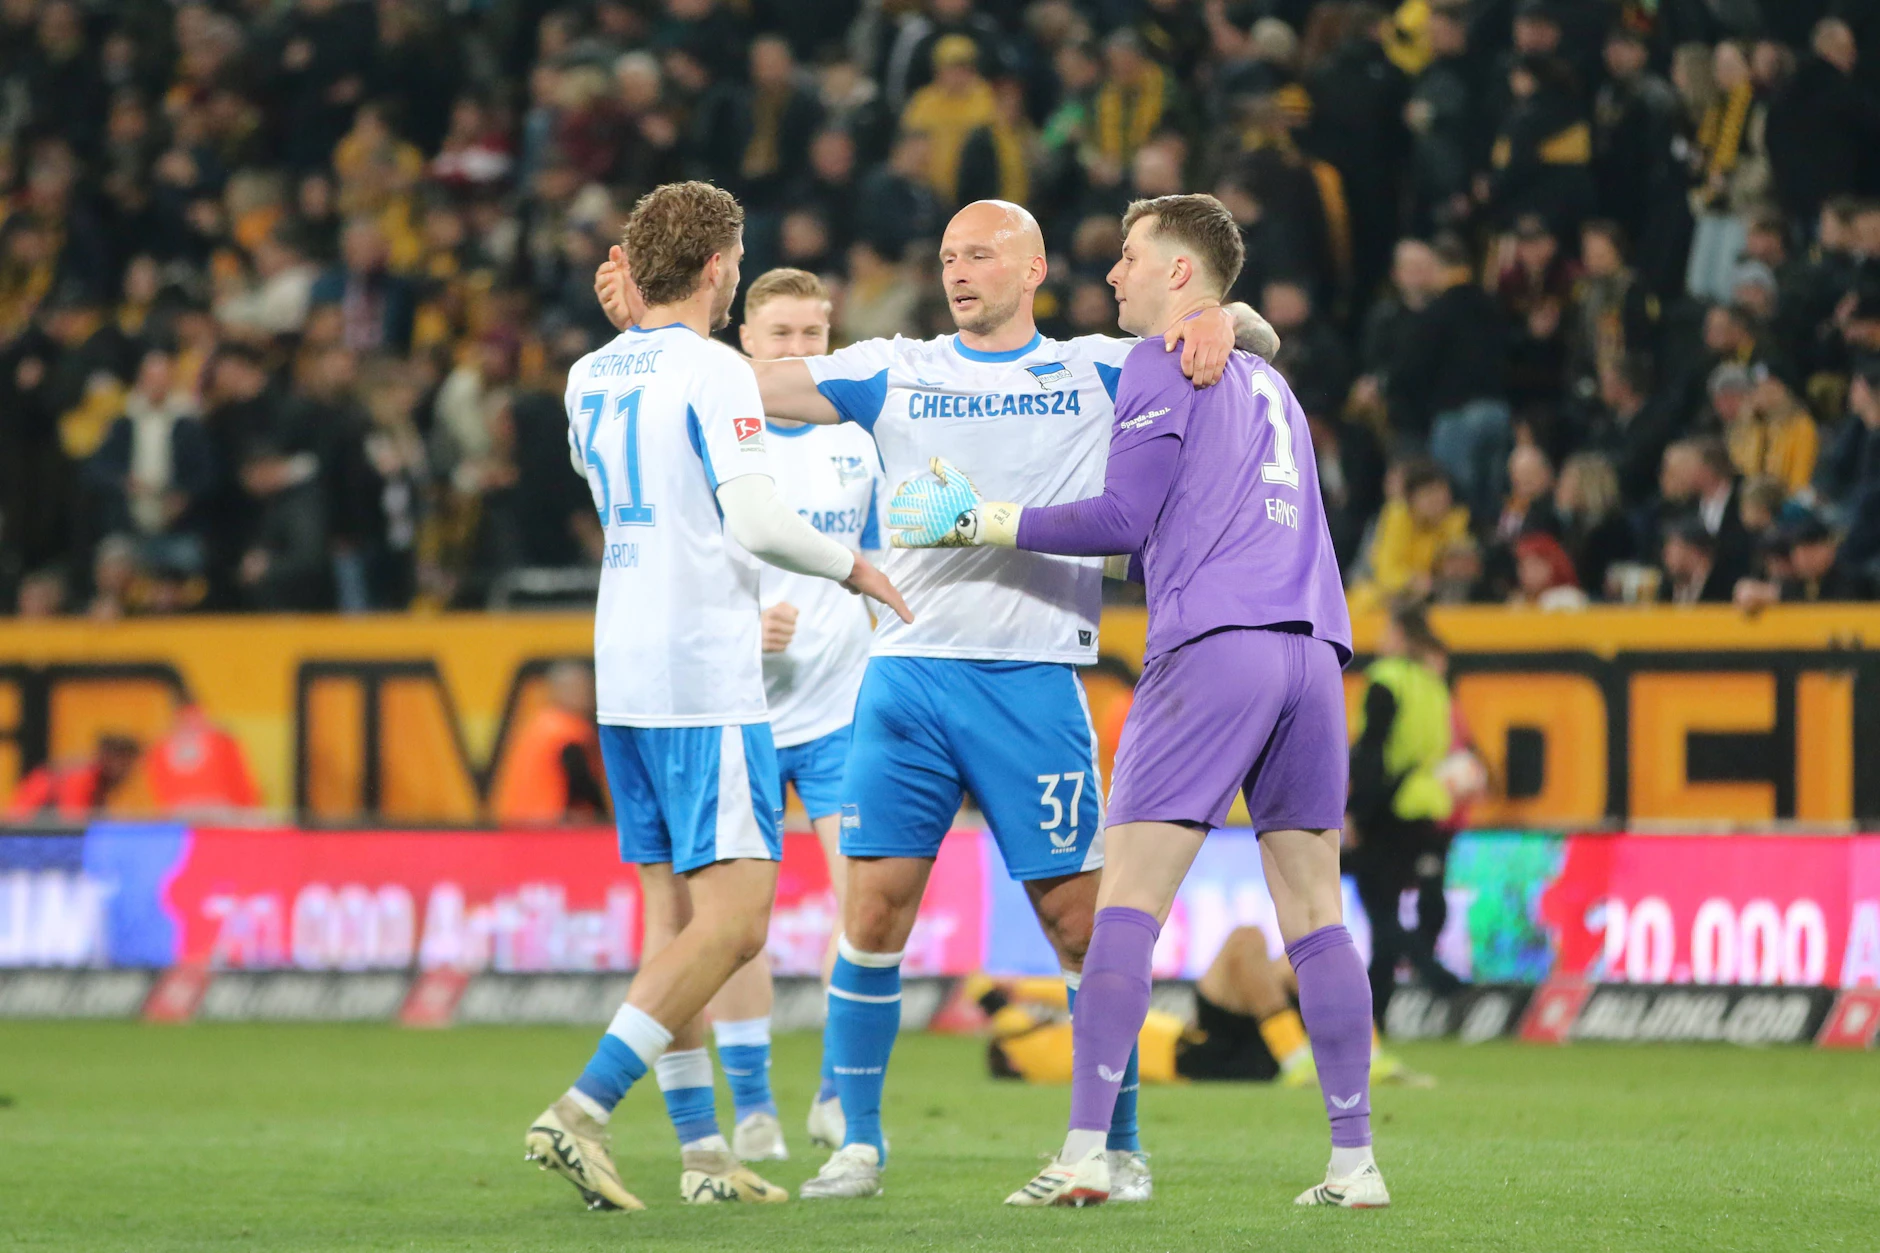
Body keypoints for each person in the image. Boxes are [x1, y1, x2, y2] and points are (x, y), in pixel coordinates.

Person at [598, 199, 1271, 1204]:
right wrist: (646, 334)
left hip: (1032, 678)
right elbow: (745, 381)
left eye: (981, 252)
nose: (959, 270)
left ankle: (1116, 1145)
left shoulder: (1094, 365)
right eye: (948, 255)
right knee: (870, 911)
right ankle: (856, 1144)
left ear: (1034, 264)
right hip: (906, 677)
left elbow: (1250, 341)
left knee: (1080, 926)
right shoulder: (891, 368)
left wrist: (1221, 314)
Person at [886, 194, 1378, 1208]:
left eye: (1128, 257)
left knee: (1124, 907)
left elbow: (1121, 512)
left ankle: (1084, 1152)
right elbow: (1160, 528)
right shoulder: (1269, 384)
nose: (1111, 275)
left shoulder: (1162, 358)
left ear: (1180, 275)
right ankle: (1352, 1160)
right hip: (1312, 653)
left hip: (1213, 648)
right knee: (1316, 915)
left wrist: (982, 517)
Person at [522, 180, 909, 1215]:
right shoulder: (719, 372)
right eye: (736, 262)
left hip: (623, 670)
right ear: (716, 269)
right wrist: (855, 567)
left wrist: (633, 336)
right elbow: (755, 518)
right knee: (736, 922)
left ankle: (701, 1153)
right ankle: (583, 1105)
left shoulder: (587, 374)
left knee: (674, 919)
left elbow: (604, 473)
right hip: (703, 671)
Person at [696, 267, 884, 1165]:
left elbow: (888, 560)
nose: (802, 353)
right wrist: (740, 628)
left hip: (845, 712)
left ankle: (836, 1093)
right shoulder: (716, 440)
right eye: (782, 337)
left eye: (816, 336)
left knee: (867, 909)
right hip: (739, 716)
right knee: (740, 923)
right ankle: (756, 1106)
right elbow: (677, 575)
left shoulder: (861, 436)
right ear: (746, 344)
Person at [977, 926, 1433, 1092]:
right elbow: (985, 992)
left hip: (1202, 1040)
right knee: (1262, 949)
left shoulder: (1050, 1042)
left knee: (1252, 940)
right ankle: (1316, 1057)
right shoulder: (1021, 1044)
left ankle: (1360, 1057)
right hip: (1200, 1059)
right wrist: (1018, 987)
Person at [1347, 607, 1465, 1023]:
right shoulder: (1435, 685)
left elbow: (1372, 750)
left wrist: (1355, 811)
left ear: (1399, 634)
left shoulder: (1386, 679)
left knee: (1379, 908)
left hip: (1389, 806)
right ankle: (1377, 1016)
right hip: (1429, 804)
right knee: (1394, 907)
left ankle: (1433, 973)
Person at [490, 661, 607, 824]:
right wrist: (604, 819)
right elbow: (582, 785)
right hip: (550, 825)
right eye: (578, 689)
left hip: (517, 823)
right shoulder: (569, 732)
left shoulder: (537, 725)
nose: (585, 695)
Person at [5, 733, 142, 819]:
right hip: (24, 834)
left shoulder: (100, 783)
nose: (127, 770)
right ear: (107, 757)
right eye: (123, 761)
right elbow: (72, 823)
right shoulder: (81, 777)